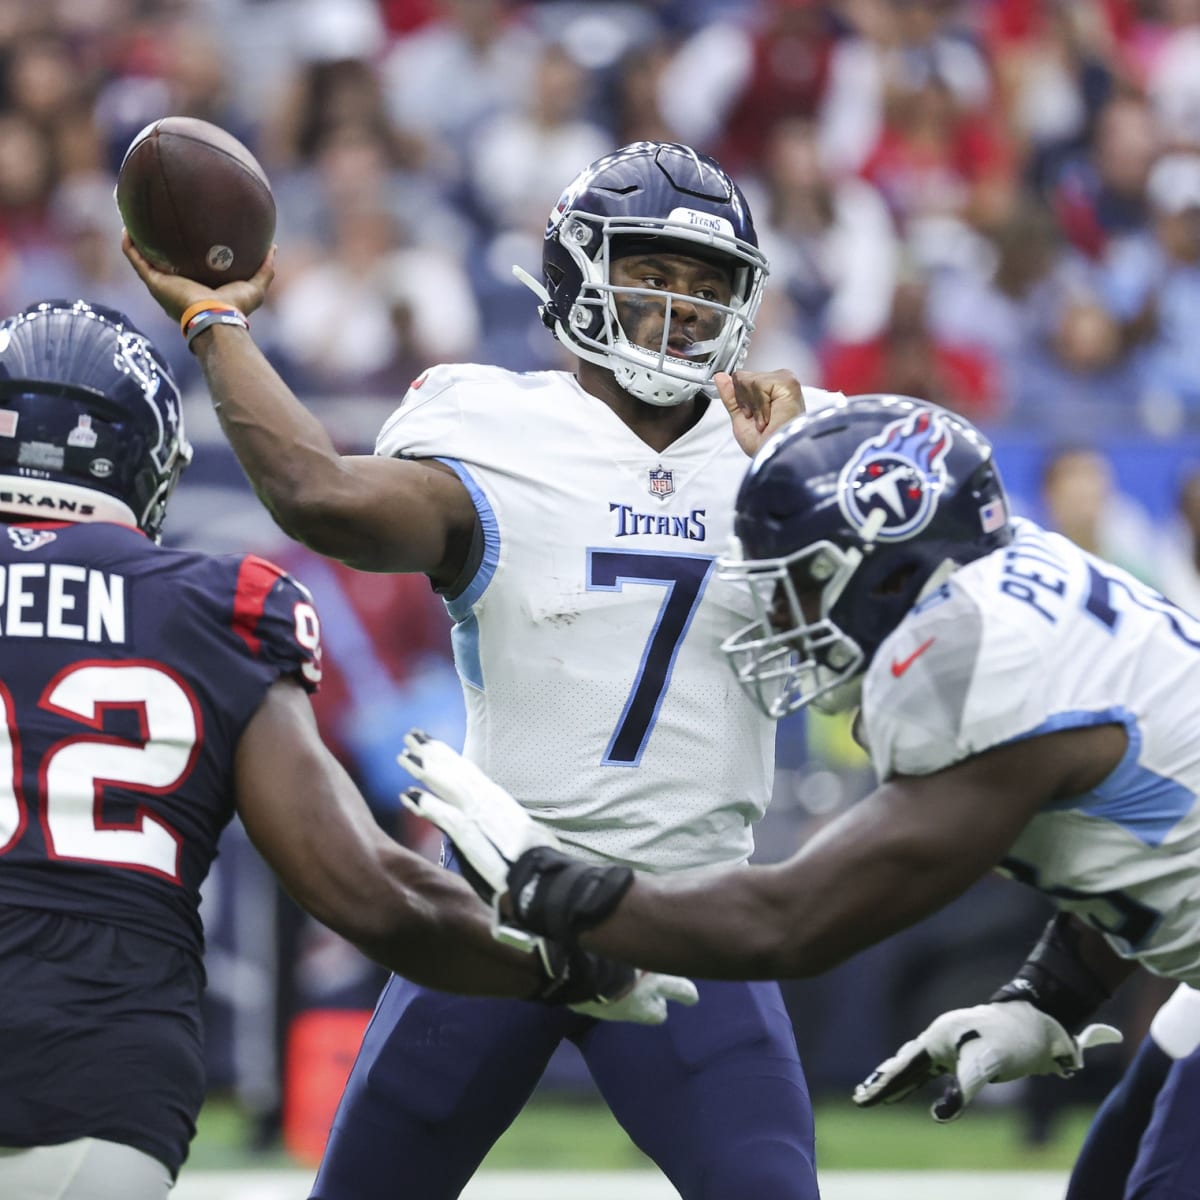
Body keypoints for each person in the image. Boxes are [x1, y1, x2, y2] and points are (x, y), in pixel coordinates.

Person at [123, 141, 826, 1199]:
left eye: (705, 286)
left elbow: (948, 569)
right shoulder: (502, 426)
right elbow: (322, 499)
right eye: (649, 275)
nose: (677, 309)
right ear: (575, 276)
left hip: (691, 912)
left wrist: (817, 474)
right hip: (507, 900)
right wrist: (215, 321)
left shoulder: (786, 448)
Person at [400, 392, 1200, 1199]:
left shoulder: (980, 669)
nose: (782, 612)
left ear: (893, 571)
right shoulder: (1016, 584)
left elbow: (790, 923)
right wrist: (1051, 994)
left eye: (803, 580)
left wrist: (547, 886)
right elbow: (1139, 841)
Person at [0, 298, 694, 1200]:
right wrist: (563, 966)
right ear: (144, 458)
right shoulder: (213, 608)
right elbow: (367, 892)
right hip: (93, 1080)